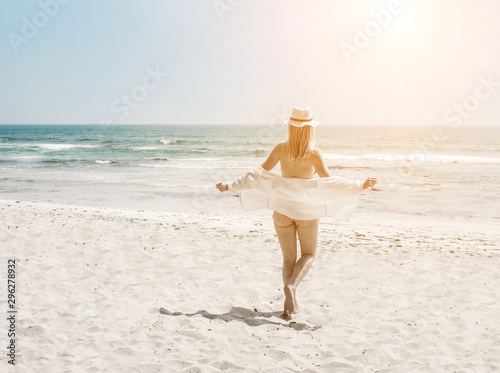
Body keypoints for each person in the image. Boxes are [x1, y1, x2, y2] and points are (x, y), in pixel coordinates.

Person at [216, 107, 377, 318]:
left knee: (288, 259)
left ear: (290, 127)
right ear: (310, 129)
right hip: (306, 213)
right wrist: (359, 185)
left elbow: (257, 176)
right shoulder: (314, 154)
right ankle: (291, 287)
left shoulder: (281, 149)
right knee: (308, 254)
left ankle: (288, 307)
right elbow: (329, 184)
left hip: (282, 211)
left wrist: (230, 185)